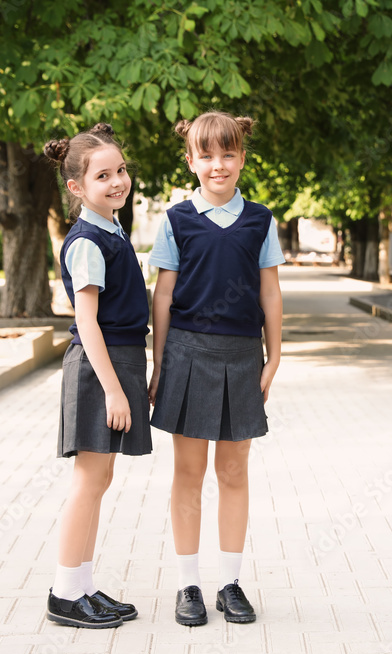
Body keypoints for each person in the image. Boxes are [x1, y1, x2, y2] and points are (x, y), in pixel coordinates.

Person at [149, 111, 285, 626]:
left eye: (228, 154)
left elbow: (270, 290)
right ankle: (188, 584)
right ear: (191, 160)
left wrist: (276, 356)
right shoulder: (176, 220)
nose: (218, 165)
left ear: (242, 158)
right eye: (207, 155)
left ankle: (229, 583)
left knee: (233, 471)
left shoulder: (261, 220)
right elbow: (163, 295)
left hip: (242, 355)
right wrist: (158, 365)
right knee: (188, 472)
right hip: (185, 354)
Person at [43, 123, 152, 629]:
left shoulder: (111, 229)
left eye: (121, 170)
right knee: (88, 481)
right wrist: (113, 390)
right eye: (103, 175)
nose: (117, 182)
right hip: (97, 369)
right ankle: (65, 593)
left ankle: (84, 585)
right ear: (76, 188)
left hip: (120, 362)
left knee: (101, 477)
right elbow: (86, 322)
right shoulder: (86, 240)